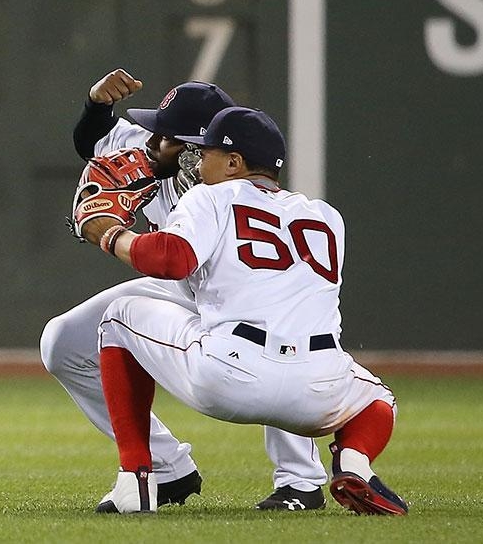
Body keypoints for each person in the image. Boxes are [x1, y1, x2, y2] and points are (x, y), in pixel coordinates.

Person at [72, 105, 408, 516]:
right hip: (319, 387)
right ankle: (354, 462)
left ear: (234, 162)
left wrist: (107, 233)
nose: (199, 161)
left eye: (208, 152)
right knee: (378, 398)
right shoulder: (326, 215)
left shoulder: (211, 196)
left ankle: (137, 479)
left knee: (117, 317)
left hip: (231, 371)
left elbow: (170, 260)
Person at [42, 70, 330, 511]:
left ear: (203, 150)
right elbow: (93, 139)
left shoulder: (241, 191)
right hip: (177, 285)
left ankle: (301, 480)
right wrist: (96, 105)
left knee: (280, 341)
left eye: (166, 136)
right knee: (62, 342)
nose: (151, 142)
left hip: (244, 295)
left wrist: (109, 234)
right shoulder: (154, 148)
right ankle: (166, 467)